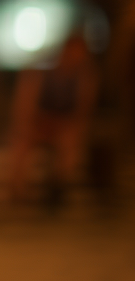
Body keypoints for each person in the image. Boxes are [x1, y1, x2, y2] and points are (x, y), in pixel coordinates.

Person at [6, 32, 99, 208]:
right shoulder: (42, 71)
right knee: (20, 141)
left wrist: (65, 126)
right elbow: (24, 106)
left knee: (70, 141)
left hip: (63, 127)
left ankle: (57, 190)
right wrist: (33, 125)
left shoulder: (84, 77)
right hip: (38, 123)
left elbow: (82, 112)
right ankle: (17, 194)